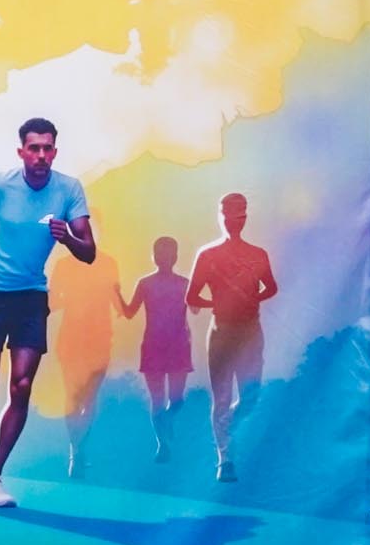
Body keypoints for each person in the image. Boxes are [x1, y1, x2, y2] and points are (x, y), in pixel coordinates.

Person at [0, 118, 95, 509]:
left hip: (31, 297)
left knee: (21, 386)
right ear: (21, 152)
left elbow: (89, 252)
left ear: (55, 151)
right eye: (34, 148)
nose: (41, 155)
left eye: (48, 148)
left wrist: (68, 236)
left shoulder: (68, 189)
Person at [187, 192, 280, 480]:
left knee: (251, 396)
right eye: (228, 215)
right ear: (220, 217)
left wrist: (252, 298)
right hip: (222, 331)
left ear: (245, 218)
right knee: (222, 397)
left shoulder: (257, 254)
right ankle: (224, 459)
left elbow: (271, 287)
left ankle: (228, 430)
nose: (233, 221)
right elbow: (191, 296)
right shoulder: (208, 255)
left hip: (250, 331)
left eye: (238, 216)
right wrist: (218, 302)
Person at [49, 241, 122, 478]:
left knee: (86, 398)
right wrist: (73, 299)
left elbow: (117, 302)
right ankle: (76, 450)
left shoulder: (108, 263)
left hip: (98, 340)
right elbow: (51, 303)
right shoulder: (64, 265)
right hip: (72, 340)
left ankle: (78, 450)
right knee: (75, 398)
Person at [122, 236, 195, 460]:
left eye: (168, 254)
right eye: (160, 253)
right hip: (154, 346)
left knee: (176, 400)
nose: (164, 258)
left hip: (178, 345)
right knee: (157, 400)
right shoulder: (145, 283)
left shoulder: (185, 283)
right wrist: (115, 294)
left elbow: (196, 309)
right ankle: (162, 444)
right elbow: (129, 312)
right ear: (154, 257)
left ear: (175, 257)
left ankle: (167, 421)